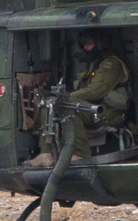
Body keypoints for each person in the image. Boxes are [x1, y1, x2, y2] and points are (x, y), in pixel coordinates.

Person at [26, 30, 130, 166]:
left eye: (89, 44)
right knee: (50, 104)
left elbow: (95, 92)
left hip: (108, 113)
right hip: (91, 110)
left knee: (69, 105)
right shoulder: (92, 65)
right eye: (83, 45)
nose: (86, 48)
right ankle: (46, 153)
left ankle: (79, 154)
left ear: (100, 44)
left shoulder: (111, 65)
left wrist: (64, 97)